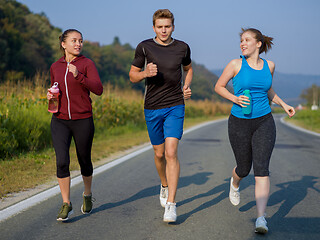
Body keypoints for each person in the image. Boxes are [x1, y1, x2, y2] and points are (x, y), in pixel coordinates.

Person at [215, 28, 295, 234]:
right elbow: (219, 86)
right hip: (239, 121)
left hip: (264, 121)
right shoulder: (235, 64)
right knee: (244, 168)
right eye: (241, 40)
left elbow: (268, 90)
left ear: (258, 44)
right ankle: (235, 182)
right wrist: (235, 98)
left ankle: (261, 218)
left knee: (261, 169)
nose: (242, 43)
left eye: (247, 40)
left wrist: (283, 104)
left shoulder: (270, 65)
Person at [129, 9, 193, 222]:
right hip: (152, 106)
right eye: (160, 27)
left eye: (167, 26)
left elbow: (189, 68)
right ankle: (164, 184)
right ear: (154, 27)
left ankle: (172, 205)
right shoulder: (144, 47)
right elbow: (132, 76)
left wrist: (186, 85)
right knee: (159, 154)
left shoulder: (182, 47)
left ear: (173, 27)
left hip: (175, 105)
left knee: (171, 152)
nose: (164, 30)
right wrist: (145, 73)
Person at [48, 29, 103, 221]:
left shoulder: (87, 64)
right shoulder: (55, 66)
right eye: (74, 41)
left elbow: (98, 89)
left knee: (84, 161)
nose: (78, 44)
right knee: (62, 161)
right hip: (60, 120)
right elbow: (56, 87)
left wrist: (79, 75)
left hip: (82, 120)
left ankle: (87, 194)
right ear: (63, 44)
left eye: (80, 41)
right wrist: (50, 95)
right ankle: (66, 203)